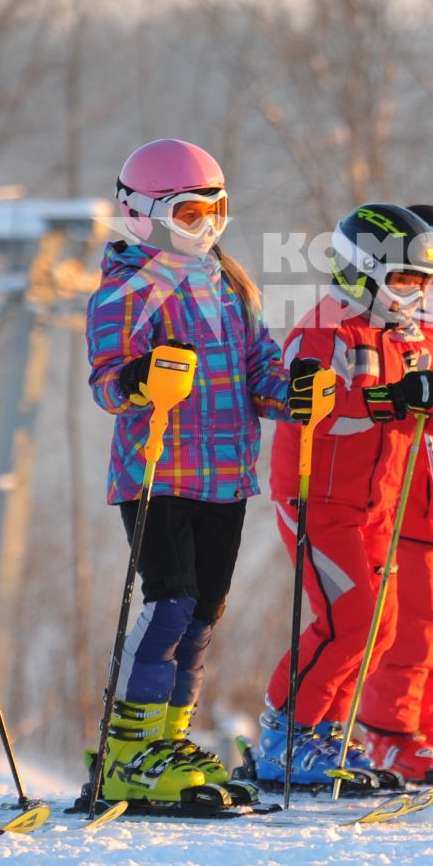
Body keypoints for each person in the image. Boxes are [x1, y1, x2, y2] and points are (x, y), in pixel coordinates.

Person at [85, 139, 303, 804]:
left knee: (204, 611)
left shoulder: (230, 280)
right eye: (188, 212)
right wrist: (142, 379)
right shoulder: (128, 287)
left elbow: (258, 364)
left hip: (225, 474)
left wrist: (291, 391)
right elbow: (107, 381)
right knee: (169, 603)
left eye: (217, 209)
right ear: (144, 214)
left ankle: (169, 736)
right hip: (157, 471)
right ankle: (130, 747)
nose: (206, 225)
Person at [249, 203, 433, 787]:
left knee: (380, 627)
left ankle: (327, 735)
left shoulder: (402, 337)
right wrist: (391, 401)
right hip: (317, 498)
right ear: (363, 269)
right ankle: (287, 733)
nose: (414, 293)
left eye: (422, 281)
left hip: (374, 504)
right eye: (404, 278)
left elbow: (421, 413)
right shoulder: (326, 327)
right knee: (349, 619)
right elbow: (315, 409)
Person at [355, 204, 433, 783]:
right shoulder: (398, 330)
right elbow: (381, 396)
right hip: (411, 500)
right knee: (419, 625)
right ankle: (390, 731)